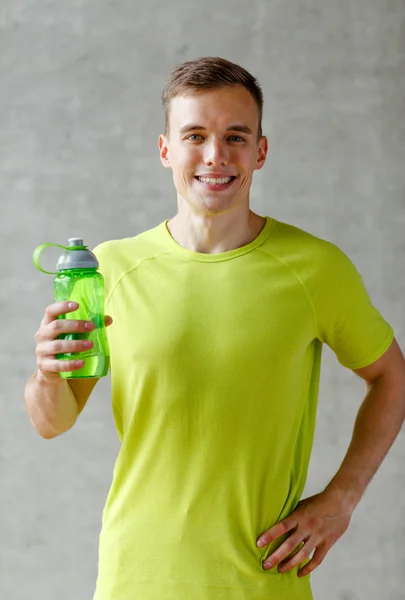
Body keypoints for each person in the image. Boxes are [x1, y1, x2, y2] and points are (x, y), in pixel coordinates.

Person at [24, 57, 405, 600]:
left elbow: (392, 375)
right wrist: (46, 374)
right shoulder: (109, 269)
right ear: (165, 150)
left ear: (261, 151)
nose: (215, 156)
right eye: (195, 135)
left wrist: (341, 498)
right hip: (135, 579)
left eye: (235, 136)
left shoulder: (315, 269)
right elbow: (50, 422)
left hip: (263, 580)